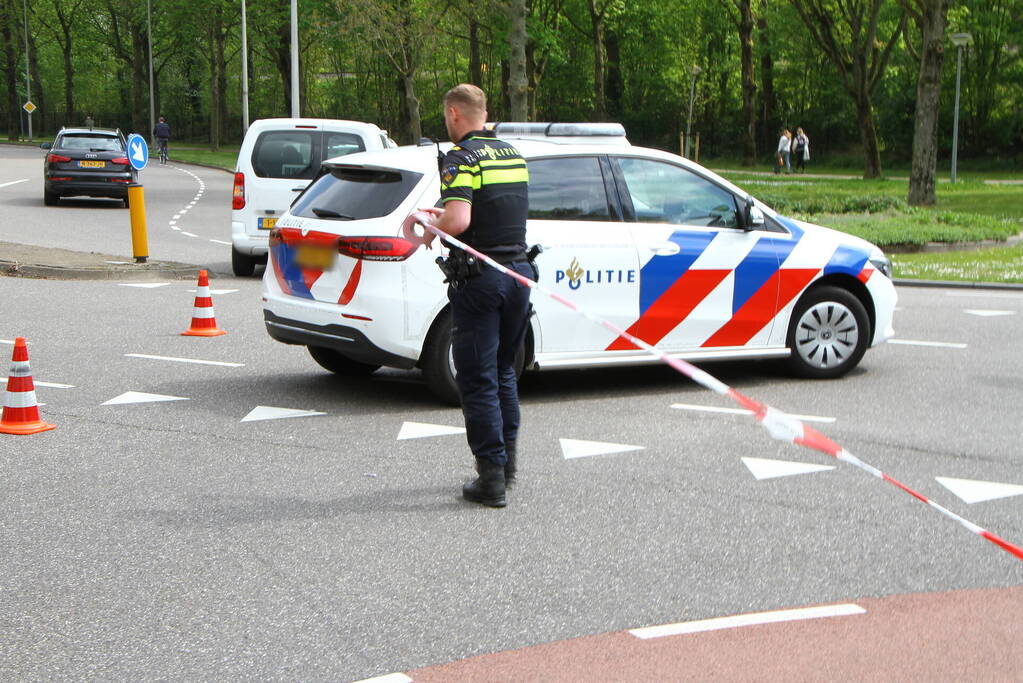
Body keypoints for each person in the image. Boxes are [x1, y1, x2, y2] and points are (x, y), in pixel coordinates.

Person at [417, 83, 533, 508]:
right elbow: (494, 211)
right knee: (503, 372)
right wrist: (447, 216)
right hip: (518, 274)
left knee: (477, 378)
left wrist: (429, 227)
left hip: (481, 281)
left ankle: (490, 480)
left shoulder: (461, 157)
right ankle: (508, 466)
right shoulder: (512, 154)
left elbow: (460, 221)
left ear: (454, 112)